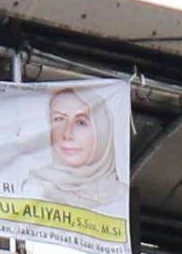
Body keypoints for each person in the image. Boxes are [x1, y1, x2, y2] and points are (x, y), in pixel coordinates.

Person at [24, 88, 129, 217]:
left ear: (102, 131)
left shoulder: (120, 197)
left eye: (80, 122)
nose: (67, 134)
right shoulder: (34, 187)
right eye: (59, 119)